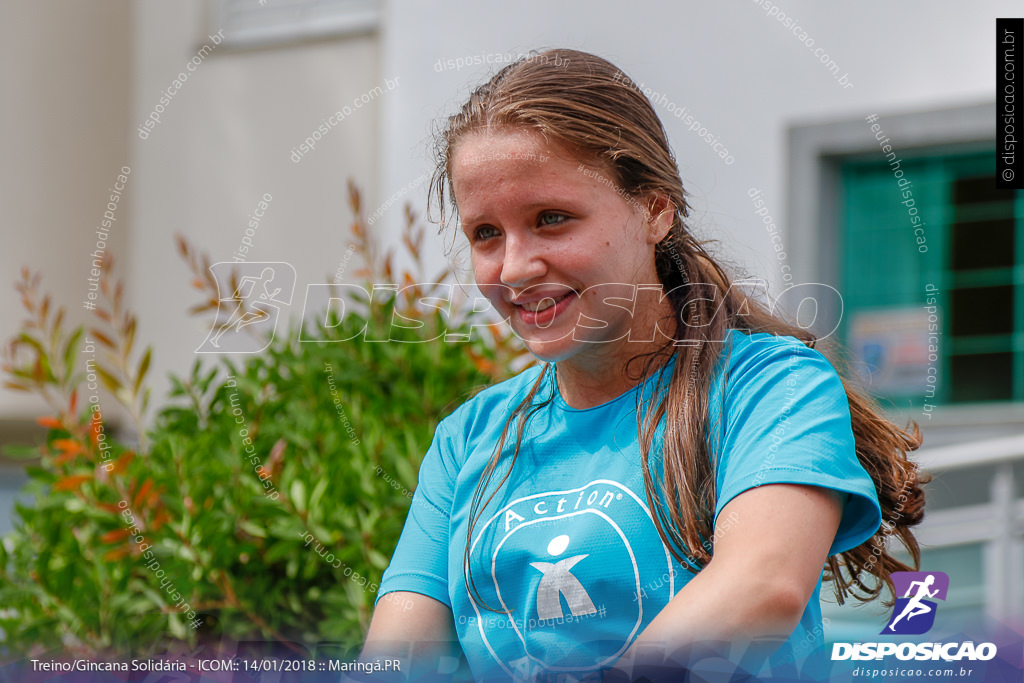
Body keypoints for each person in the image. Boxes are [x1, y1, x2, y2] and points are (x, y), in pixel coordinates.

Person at [359, 48, 927, 682]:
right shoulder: (468, 438)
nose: (514, 267)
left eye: (552, 219)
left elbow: (762, 587)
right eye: (486, 233)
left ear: (655, 210)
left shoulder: (770, 387)